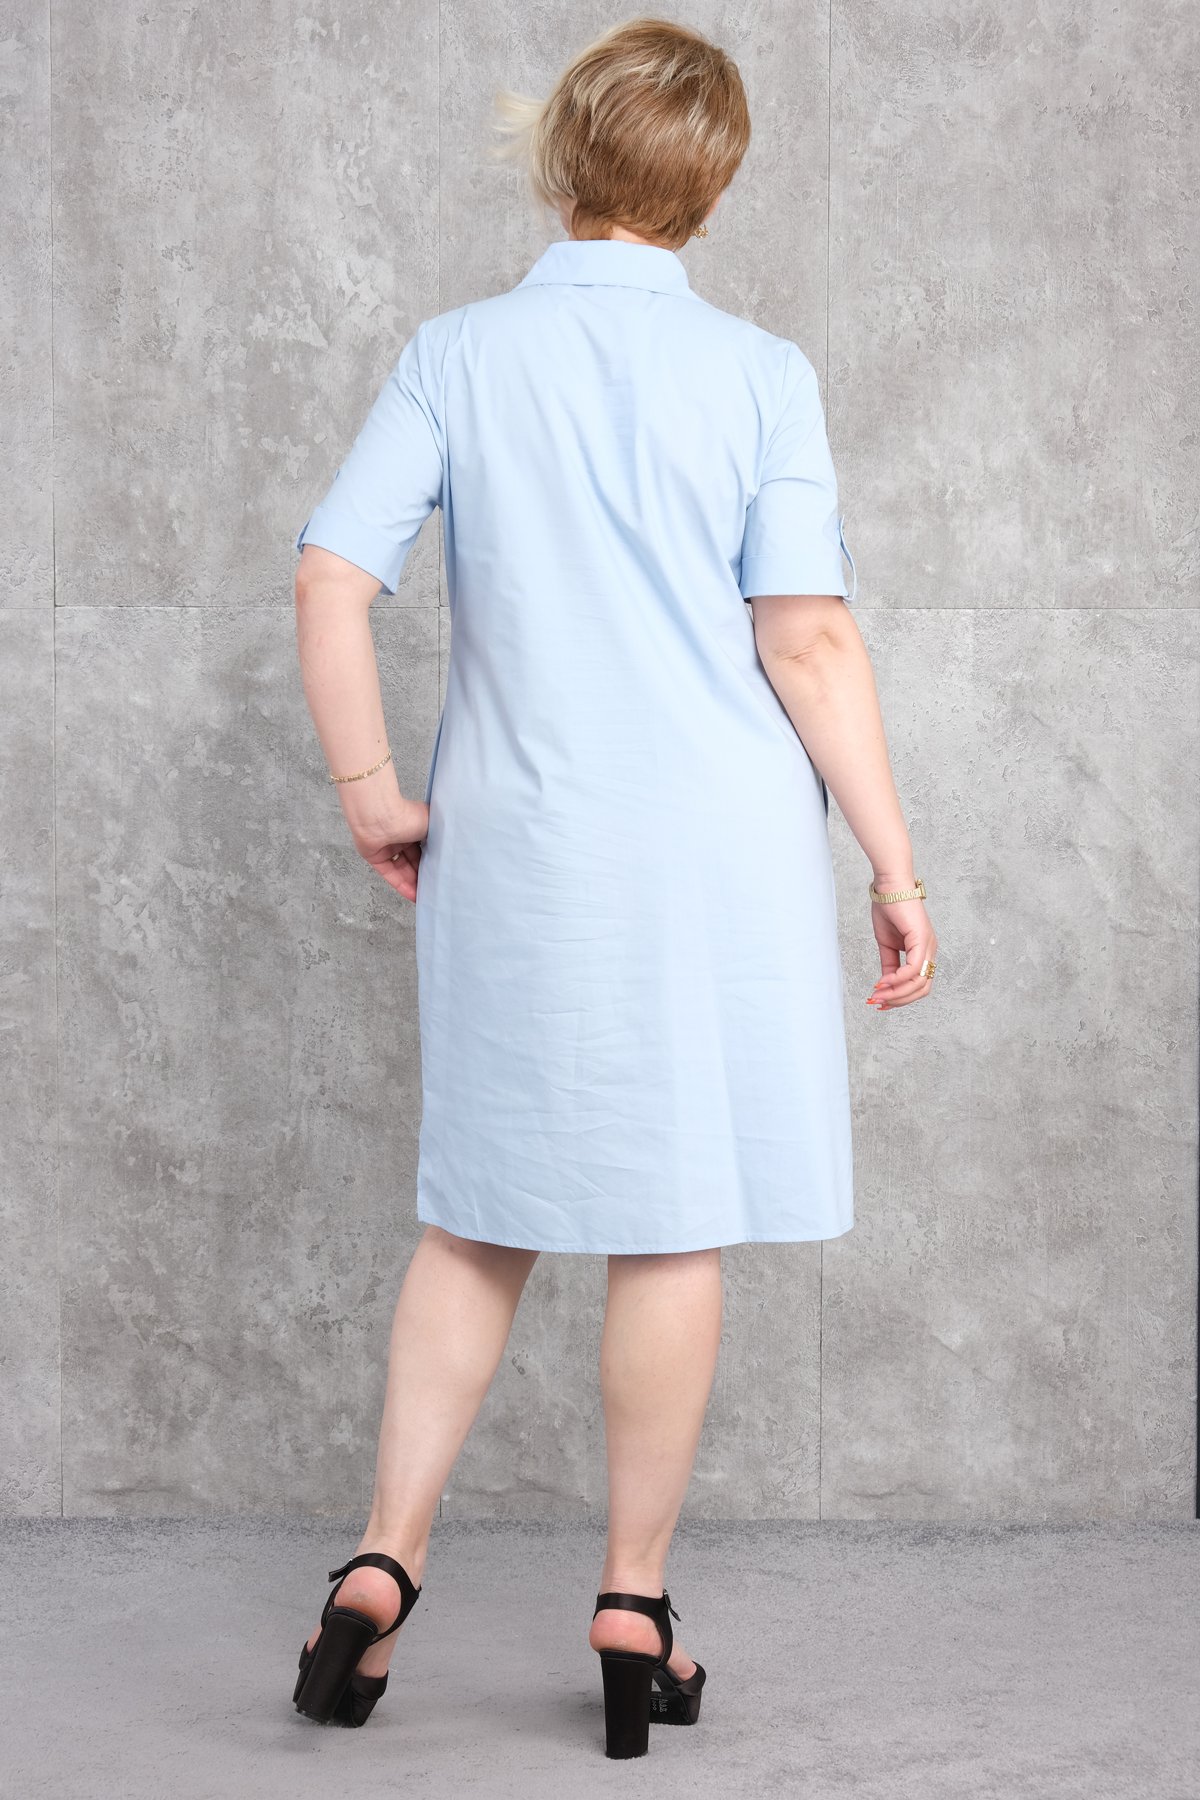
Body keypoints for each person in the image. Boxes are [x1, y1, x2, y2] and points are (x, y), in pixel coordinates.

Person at [288, 15, 937, 1761]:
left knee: (475, 1212)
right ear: (711, 187)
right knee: (670, 1222)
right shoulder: (761, 373)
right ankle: (634, 1606)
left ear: (561, 156)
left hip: (519, 843)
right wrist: (893, 860)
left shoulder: (455, 354)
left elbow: (333, 575)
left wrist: (371, 791)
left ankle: (381, 1564)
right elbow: (807, 639)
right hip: (716, 855)